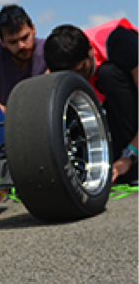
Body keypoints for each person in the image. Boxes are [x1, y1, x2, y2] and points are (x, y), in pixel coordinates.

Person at [44, 19, 139, 184]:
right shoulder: (57, 67)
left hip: (132, 119)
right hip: (115, 117)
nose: (81, 79)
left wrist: (128, 156)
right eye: (74, 75)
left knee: (107, 75)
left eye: (83, 70)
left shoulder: (123, 44)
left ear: (90, 51)